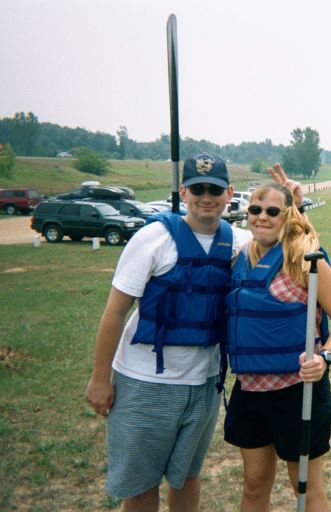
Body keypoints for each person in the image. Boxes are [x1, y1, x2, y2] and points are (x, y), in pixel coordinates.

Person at [85, 152, 254, 511]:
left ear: (230, 193)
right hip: (146, 382)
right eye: (197, 188)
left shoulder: (240, 242)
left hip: (204, 385)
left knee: (187, 477)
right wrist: (100, 378)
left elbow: (295, 248)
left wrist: (293, 203)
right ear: (183, 191)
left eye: (215, 189)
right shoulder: (152, 239)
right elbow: (115, 313)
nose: (206, 196)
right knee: (142, 483)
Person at [223, 183, 331, 512]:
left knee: (304, 486)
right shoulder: (239, 258)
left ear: (286, 215)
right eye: (255, 210)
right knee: (253, 485)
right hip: (250, 391)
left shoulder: (306, 262)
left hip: (298, 391)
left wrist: (325, 358)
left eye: (272, 211)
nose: (262, 217)